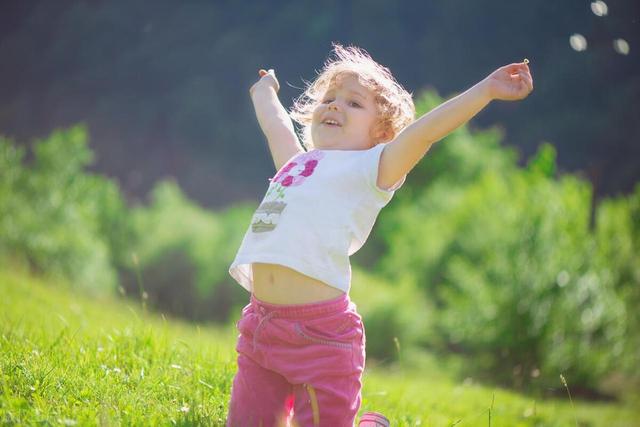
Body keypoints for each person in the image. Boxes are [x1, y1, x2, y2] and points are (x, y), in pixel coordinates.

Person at [226, 43, 533, 426]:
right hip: (261, 325)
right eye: (330, 98)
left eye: (354, 104)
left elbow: (424, 133)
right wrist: (264, 93)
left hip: (320, 337)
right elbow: (276, 126)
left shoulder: (372, 168)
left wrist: (486, 89)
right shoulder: (297, 163)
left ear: (382, 131)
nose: (335, 106)